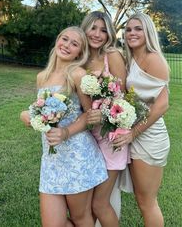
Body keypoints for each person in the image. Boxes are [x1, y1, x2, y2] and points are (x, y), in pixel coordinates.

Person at [20, 26, 108, 227]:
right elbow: (42, 111)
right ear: (57, 40)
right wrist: (27, 115)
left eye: (74, 43)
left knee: (80, 218)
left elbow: (89, 115)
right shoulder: (41, 76)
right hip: (51, 160)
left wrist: (66, 131)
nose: (67, 45)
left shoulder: (77, 75)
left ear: (80, 52)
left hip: (77, 158)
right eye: (64, 39)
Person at [113, 13, 170, 227]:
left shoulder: (153, 59)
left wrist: (132, 134)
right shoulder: (130, 59)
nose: (132, 33)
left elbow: (162, 105)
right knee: (140, 198)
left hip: (149, 137)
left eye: (138, 29)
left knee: (147, 202)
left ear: (148, 32)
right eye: (128, 29)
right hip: (134, 133)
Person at [80, 11, 127, 227]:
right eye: (93, 28)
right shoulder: (77, 58)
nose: (98, 34)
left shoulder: (113, 56)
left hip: (111, 138)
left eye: (103, 30)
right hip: (86, 139)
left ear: (109, 34)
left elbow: (126, 101)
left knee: (99, 204)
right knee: (87, 204)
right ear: (85, 28)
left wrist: (105, 113)